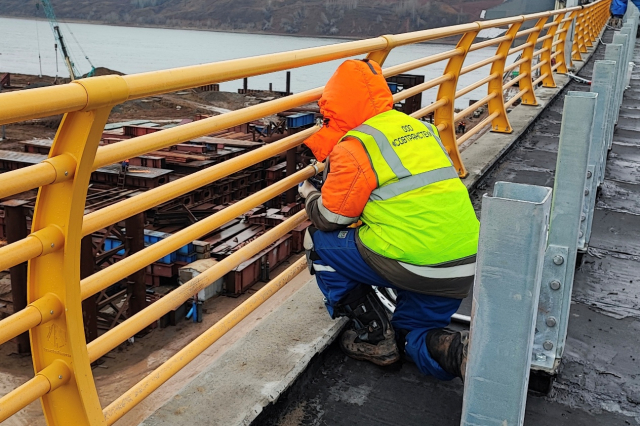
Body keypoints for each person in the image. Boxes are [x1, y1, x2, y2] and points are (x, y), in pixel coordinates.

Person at [298, 59, 479, 381]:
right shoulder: (421, 129)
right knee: (412, 334)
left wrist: (310, 195)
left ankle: (374, 335)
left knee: (318, 243)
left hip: (413, 263)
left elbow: (331, 218)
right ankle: (451, 350)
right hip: (462, 266)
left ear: (334, 106)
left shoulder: (356, 145)